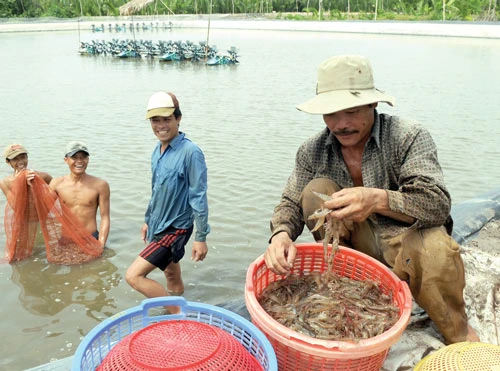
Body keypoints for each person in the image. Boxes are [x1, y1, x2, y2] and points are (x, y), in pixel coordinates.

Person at [264, 55, 479, 345]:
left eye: (351, 111)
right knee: (317, 189)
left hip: (406, 240)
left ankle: (458, 332)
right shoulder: (312, 150)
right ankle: (346, 281)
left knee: (437, 250)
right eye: (330, 113)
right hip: (355, 245)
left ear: (372, 103)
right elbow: (290, 202)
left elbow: (437, 203)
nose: (340, 124)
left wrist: (377, 199)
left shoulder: (408, 136)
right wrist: (280, 236)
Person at [125, 91, 210, 307]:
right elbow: (157, 191)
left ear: (178, 118)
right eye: (155, 120)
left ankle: (177, 315)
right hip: (158, 224)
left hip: (175, 229)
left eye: (167, 119)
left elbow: (198, 196)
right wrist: (147, 220)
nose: (160, 126)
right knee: (171, 275)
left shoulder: (191, 152)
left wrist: (201, 237)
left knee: (134, 276)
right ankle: (179, 301)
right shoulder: (158, 150)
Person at [49, 141, 110, 249]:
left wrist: (101, 244)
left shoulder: (100, 185)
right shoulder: (56, 183)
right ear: (66, 160)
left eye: (83, 157)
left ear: (88, 159)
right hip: (66, 239)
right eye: (75, 157)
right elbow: (43, 209)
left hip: (90, 238)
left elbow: (105, 217)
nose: (80, 161)